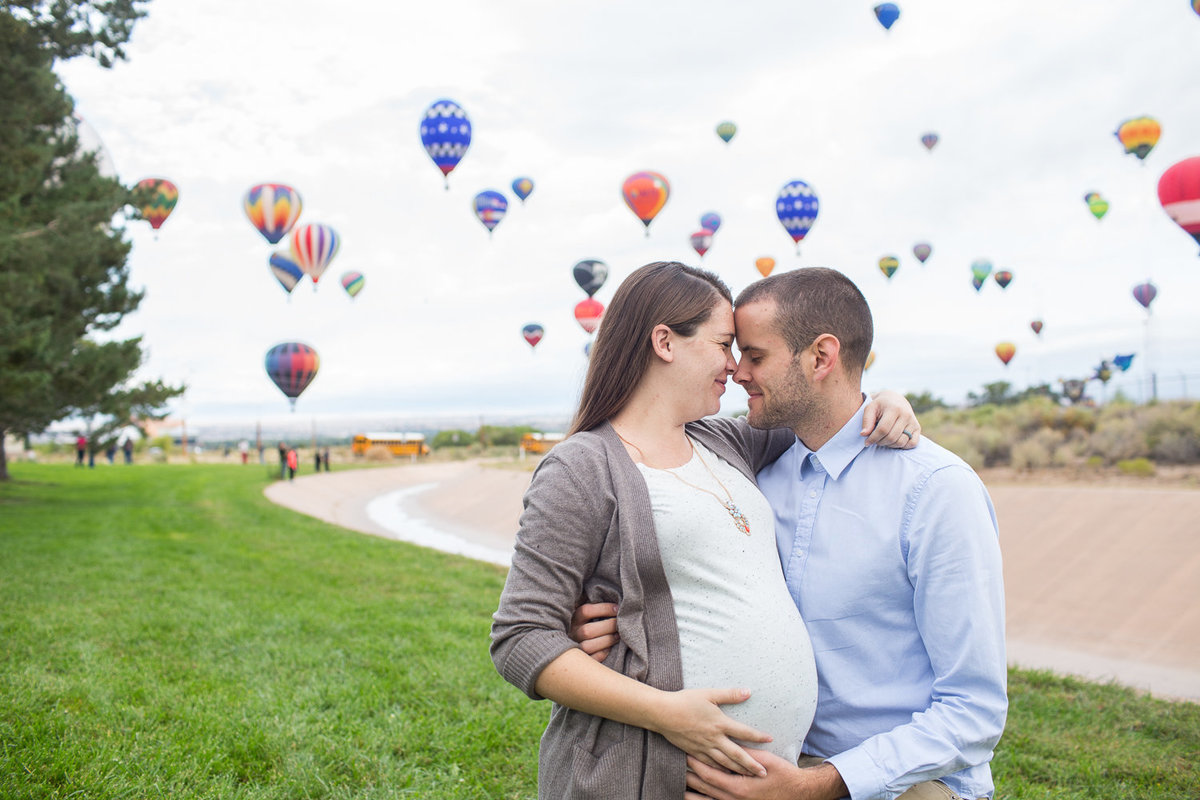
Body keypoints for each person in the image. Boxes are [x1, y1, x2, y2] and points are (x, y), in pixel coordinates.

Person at [490, 262, 919, 800]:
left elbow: (821, 408)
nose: (736, 367)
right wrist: (669, 713)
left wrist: (883, 398)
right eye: (723, 345)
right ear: (665, 341)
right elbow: (521, 636)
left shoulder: (726, 441)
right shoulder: (581, 467)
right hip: (643, 774)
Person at [582, 268, 1007, 800]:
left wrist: (817, 786)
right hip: (765, 766)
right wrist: (626, 618)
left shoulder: (936, 491)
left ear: (821, 358)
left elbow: (975, 710)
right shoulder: (748, 474)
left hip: (903, 781)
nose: (736, 372)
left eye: (755, 356)